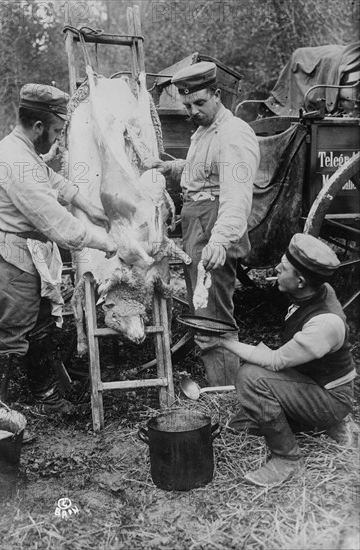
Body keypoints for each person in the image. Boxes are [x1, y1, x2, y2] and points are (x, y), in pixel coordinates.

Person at [0, 83, 117, 415]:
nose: (56, 139)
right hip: (9, 264)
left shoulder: (22, 150)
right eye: (55, 131)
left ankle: (47, 397)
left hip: (22, 257)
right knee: (6, 341)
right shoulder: (15, 160)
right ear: (38, 126)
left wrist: (90, 206)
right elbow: (61, 228)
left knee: (40, 324)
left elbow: (54, 182)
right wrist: (107, 242)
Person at [151, 61, 260, 385]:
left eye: (199, 103)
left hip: (214, 225)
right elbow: (205, 169)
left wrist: (219, 241)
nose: (193, 111)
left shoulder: (233, 134)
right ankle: (224, 384)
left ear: (216, 94)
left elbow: (236, 197)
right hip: (200, 222)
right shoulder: (205, 130)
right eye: (187, 105)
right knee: (204, 309)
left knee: (213, 317)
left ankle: (228, 394)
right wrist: (172, 169)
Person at [221, 233, 357, 488]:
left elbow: (275, 361)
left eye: (283, 267)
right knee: (240, 424)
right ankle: (325, 425)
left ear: (301, 281)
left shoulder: (325, 323)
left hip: (331, 397)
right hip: (312, 381)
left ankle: (288, 458)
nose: (276, 269)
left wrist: (225, 342)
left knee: (249, 377)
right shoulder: (315, 291)